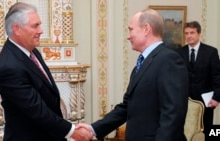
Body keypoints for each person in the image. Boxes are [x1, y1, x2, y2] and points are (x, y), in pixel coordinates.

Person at [77, 9, 189, 141]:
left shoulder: (169, 60)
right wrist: (93, 129)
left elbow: (173, 114)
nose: (128, 36)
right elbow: (127, 107)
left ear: (146, 29)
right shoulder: (141, 64)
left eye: (131, 29)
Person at [0, 2, 91, 141]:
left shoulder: (31, 51)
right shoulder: (10, 67)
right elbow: (38, 110)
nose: (41, 31)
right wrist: (72, 131)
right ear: (17, 29)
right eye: (35, 26)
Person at [177, 21, 220, 136]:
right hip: (184, 101)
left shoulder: (211, 52)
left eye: (192, 33)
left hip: (205, 101)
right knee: (184, 132)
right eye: (186, 33)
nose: (189, 36)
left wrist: (216, 98)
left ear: (199, 34)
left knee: (205, 132)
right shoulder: (179, 53)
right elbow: (175, 78)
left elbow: (217, 76)